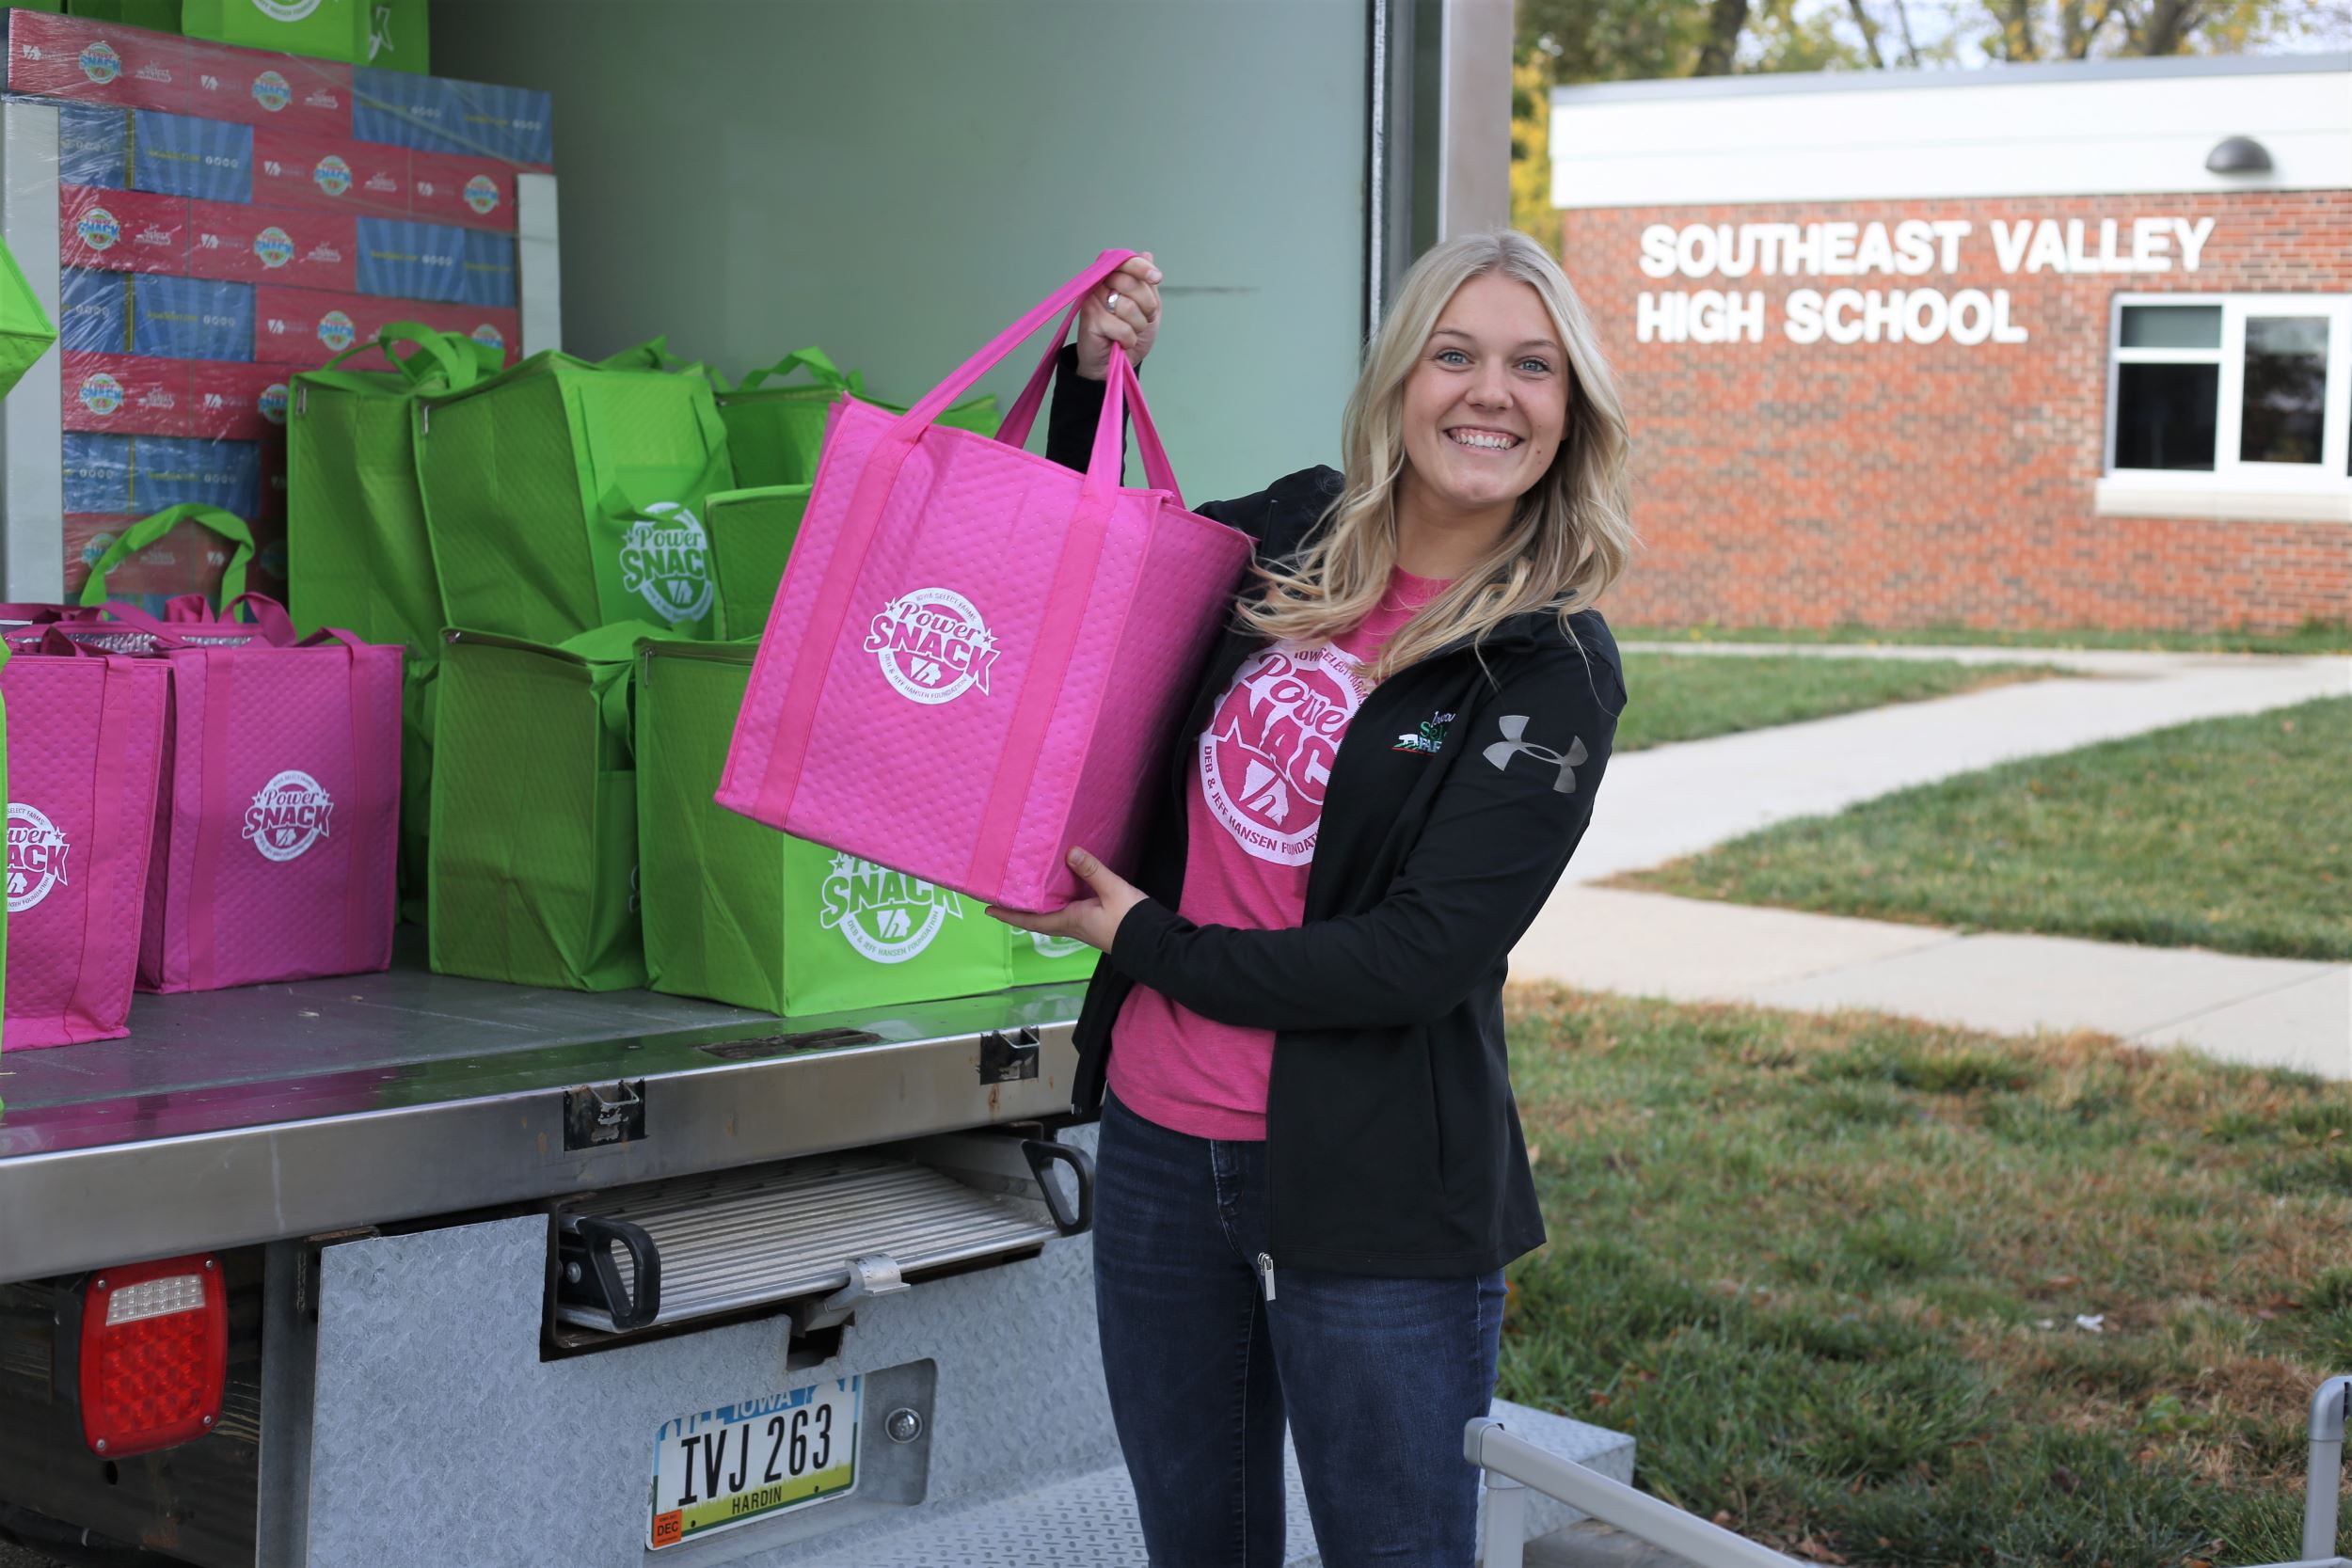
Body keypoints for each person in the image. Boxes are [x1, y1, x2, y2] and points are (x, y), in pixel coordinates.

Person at [990, 230, 1633, 1568]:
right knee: (1197, 1549)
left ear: (1570, 410)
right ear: (1401, 379)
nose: (1489, 393)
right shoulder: (1297, 527)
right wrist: (1095, 384)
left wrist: (1144, 940)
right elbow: (1082, 582)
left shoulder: (1549, 662)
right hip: (1165, 1150)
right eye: (1454, 354)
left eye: (1532, 366)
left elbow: (1416, 956)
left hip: (1378, 1184)